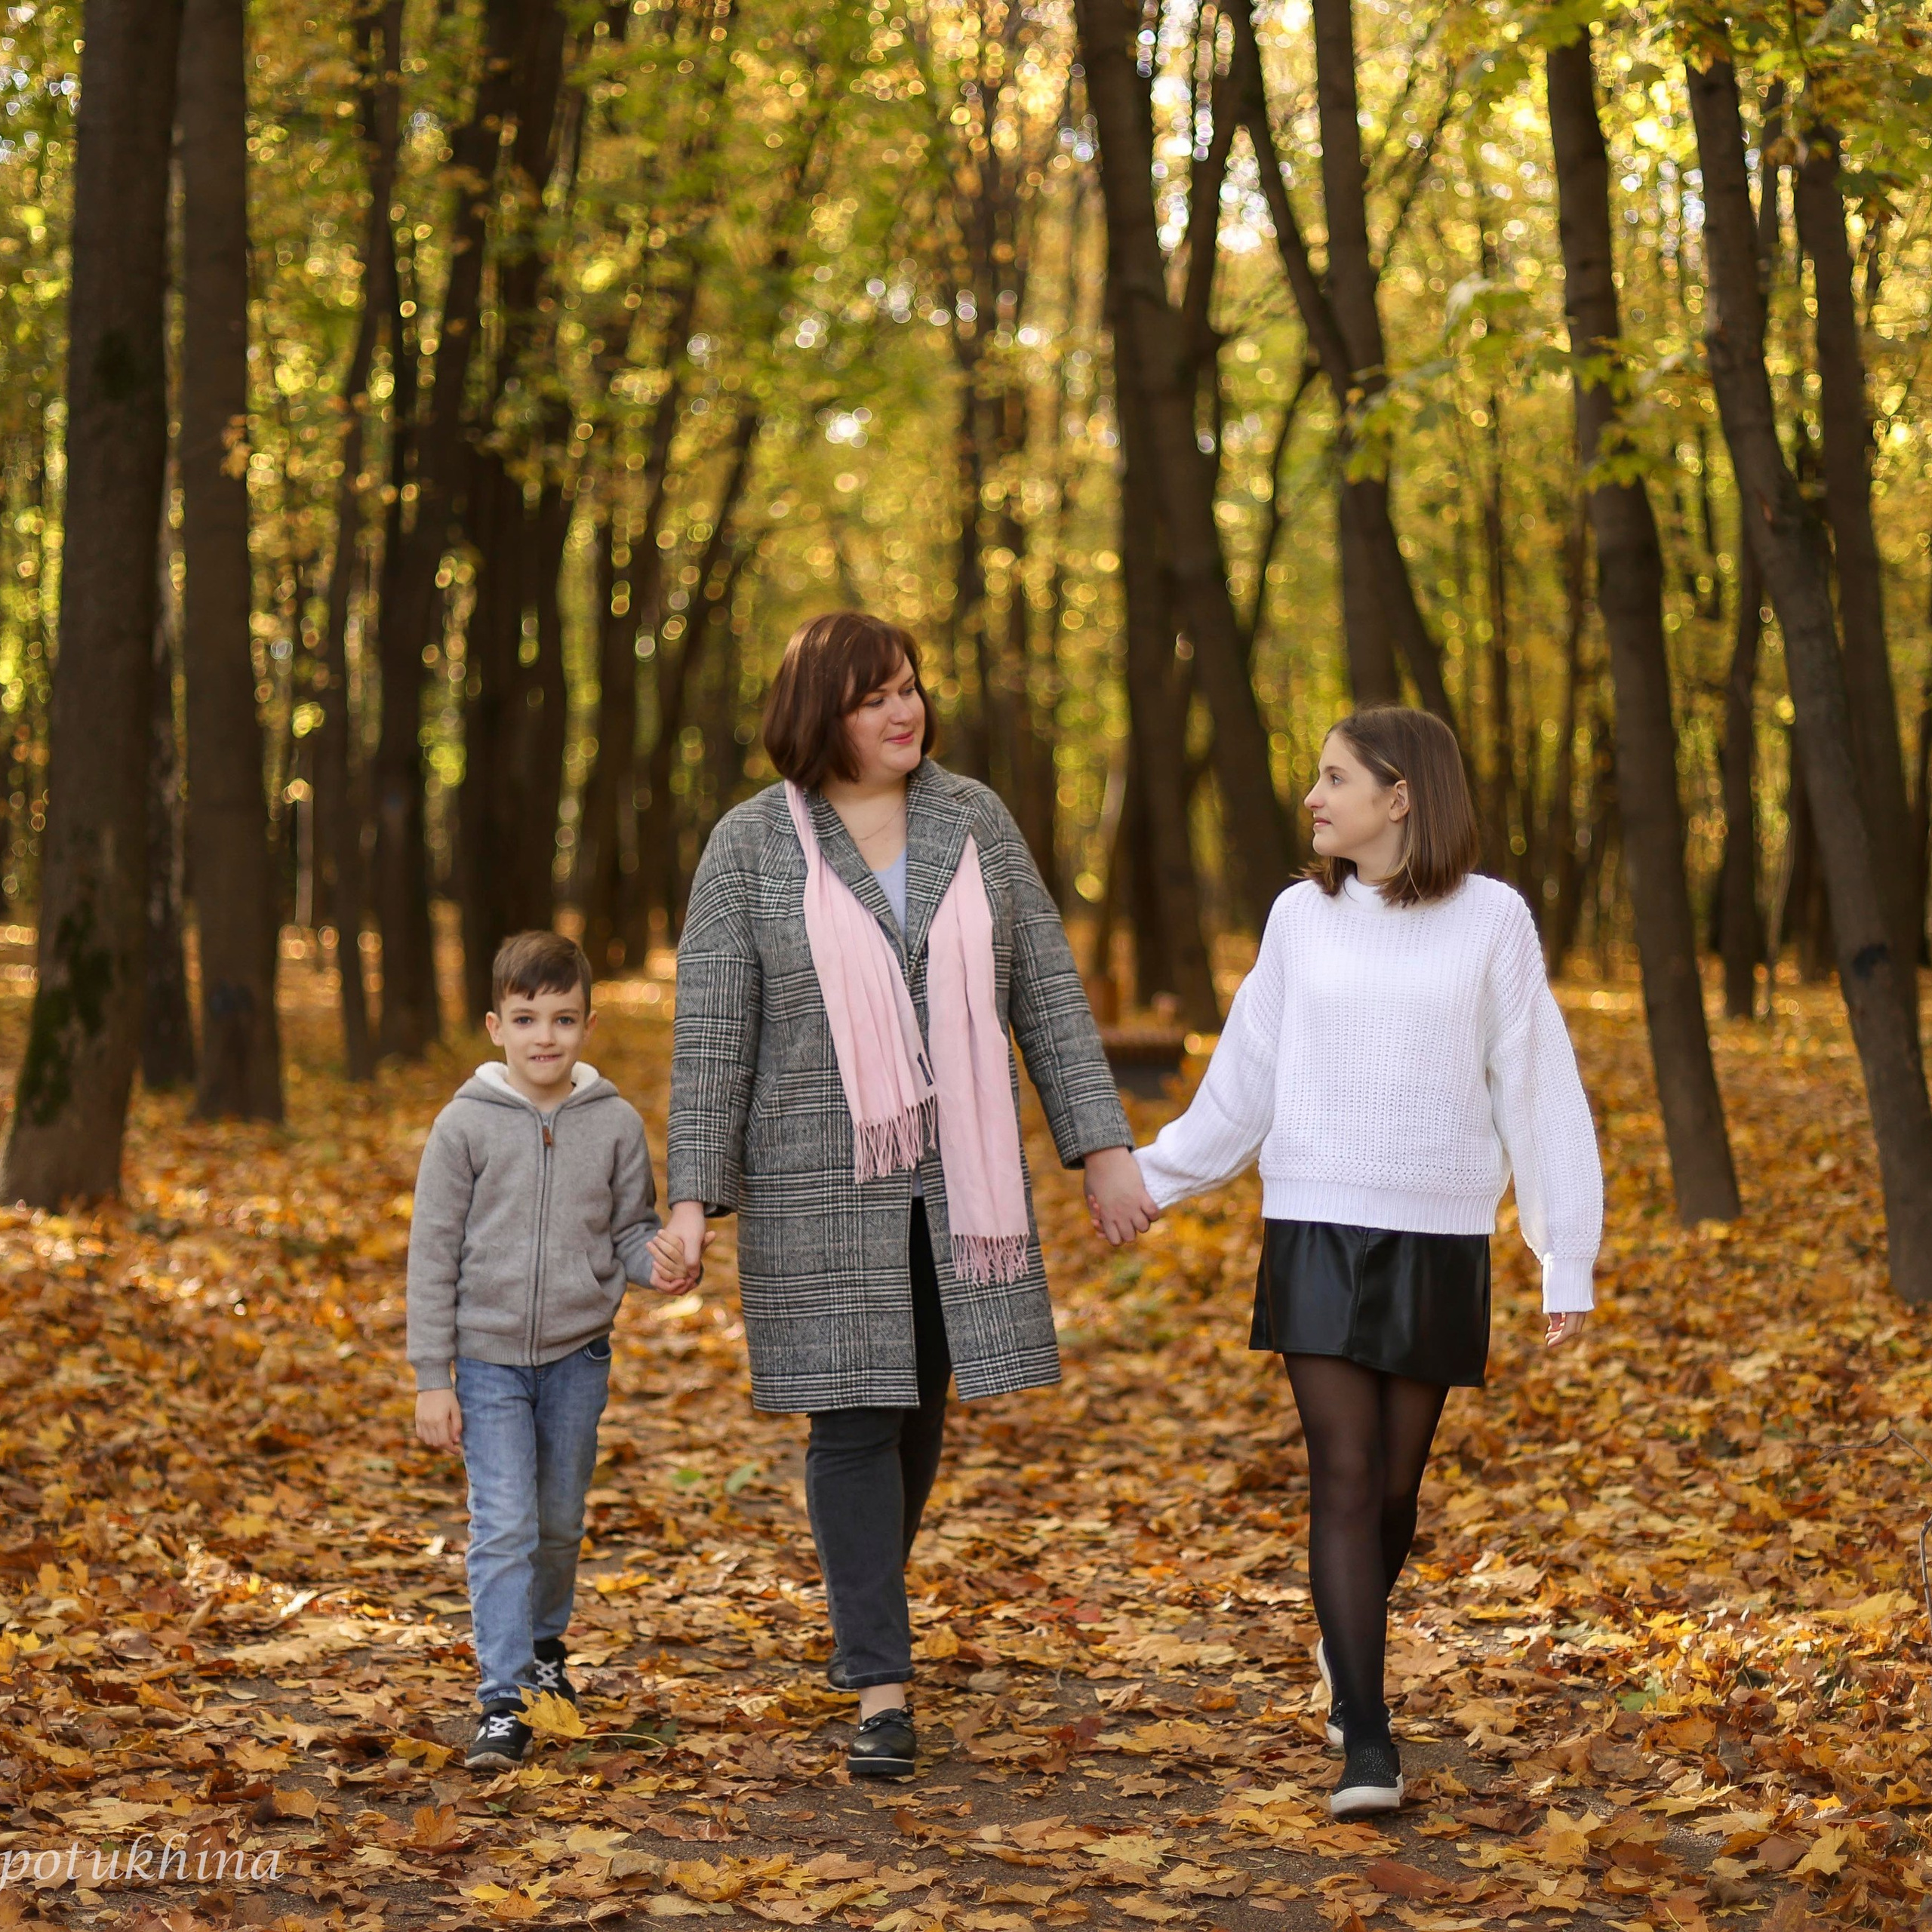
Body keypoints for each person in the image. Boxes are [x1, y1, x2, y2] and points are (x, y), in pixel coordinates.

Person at [652, 611, 1155, 1780]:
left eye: (911, 687)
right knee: (853, 1419)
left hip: (958, 1180)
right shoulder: (750, 846)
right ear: (817, 712)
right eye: (874, 694)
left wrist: (1101, 1147)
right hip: (814, 1179)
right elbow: (714, 1034)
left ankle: (861, 1597)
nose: (903, 709)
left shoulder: (973, 818)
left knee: (919, 1413)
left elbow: (1048, 993)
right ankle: (881, 1681)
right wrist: (692, 1198)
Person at [1129, 707, 1601, 1820]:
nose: (1313, 797)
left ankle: (1350, 1657)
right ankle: (1370, 1738)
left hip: (1438, 1234)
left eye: (1335, 778)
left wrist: (1562, 1252)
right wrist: (1155, 1178)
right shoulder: (1302, 915)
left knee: (1396, 1486)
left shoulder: (1494, 920)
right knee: (1343, 1473)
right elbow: (1248, 1069)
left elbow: (1535, 1083)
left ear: (1403, 796)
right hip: (1317, 1224)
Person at [407, 931, 665, 1772]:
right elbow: (433, 1252)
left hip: (576, 1358)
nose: (543, 1036)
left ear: (587, 1023)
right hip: (484, 1365)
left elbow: (630, 1229)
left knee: (557, 1524)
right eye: (525, 1018)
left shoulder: (615, 1123)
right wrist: (429, 1378)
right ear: (495, 1025)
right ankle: (503, 1697)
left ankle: (546, 1645)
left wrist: (658, 1263)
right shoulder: (464, 1127)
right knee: (505, 1523)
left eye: (561, 1018)